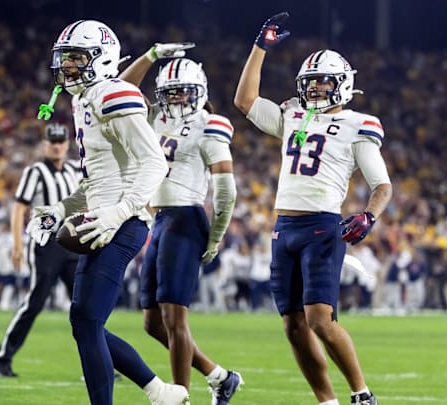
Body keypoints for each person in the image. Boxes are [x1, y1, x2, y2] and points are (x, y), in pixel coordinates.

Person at [26, 19, 189, 405]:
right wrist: (59, 209)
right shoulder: (84, 98)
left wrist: (119, 212)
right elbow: (95, 180)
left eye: (77, 58)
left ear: (102, 59)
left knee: (87, 322)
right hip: (102, 218)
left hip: (121, 223)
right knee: (84, 322)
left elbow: (153, 163)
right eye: (65, 59)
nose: (67, 67)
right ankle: (159, 390)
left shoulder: (112, 94)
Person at [233, 12, 392, 405]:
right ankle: (327, 401)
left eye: (325, 81)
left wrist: (368, 215)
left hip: (322, 227)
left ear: (343, 84)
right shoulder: (292, 114)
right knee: (293, 327)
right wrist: (260, 48)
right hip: (283, 227)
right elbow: (245, 100)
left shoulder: (358, 124)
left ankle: (361, 394)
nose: (317, 88)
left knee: (321, 319)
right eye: (311, 82)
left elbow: (382, 185)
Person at [119, 47, 243, 403]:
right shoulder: (155, 117)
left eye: (183, 91)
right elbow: (120, 88)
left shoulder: (210, 124)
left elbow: (226, 189)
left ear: (200, 90)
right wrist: (150, 56)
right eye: (169, 91)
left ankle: (181, 396)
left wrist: (216, 236)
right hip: (160, 220)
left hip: (186, 218)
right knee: (152, 323)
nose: (175, 98)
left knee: (174, 319)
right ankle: (220, 376)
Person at [0, 123, 81, 377]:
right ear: (45, 144)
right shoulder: (35, 172)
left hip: (71, 242)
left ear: (67, 144)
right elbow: (19, 209)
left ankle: (98, 361)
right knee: (36, 302)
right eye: (53, 142)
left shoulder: (74, 170)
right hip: (45, 243)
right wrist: (18, 245)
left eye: (61, 141)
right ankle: (2, 356)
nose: (57, 146)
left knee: (85, 305)